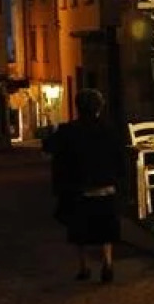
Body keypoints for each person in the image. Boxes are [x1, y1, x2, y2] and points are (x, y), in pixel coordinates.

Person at [45, 88, 127, 283]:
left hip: (77, 190)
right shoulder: (109, 130)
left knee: (79, 230)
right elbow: (120, 159)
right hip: (106, 187)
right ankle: (107, 263)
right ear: (99, 108)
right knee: (106, 228)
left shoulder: (68, 131)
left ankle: (84, 266)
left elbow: (48, 147)